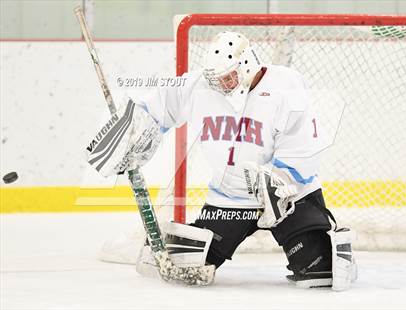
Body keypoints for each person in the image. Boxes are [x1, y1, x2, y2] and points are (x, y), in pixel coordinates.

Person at [86, 31, 357, 290]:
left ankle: (318, 245)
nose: (221, 85)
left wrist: (281, 180)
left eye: (228, 78)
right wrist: (133, 132)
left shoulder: (286, 85)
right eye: (217, 80)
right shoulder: (202, 85)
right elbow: (158, 104)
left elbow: (303, 141)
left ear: (247, 65)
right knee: (184, 267)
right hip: (229, 200)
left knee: (322, 270)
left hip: (289, 198)